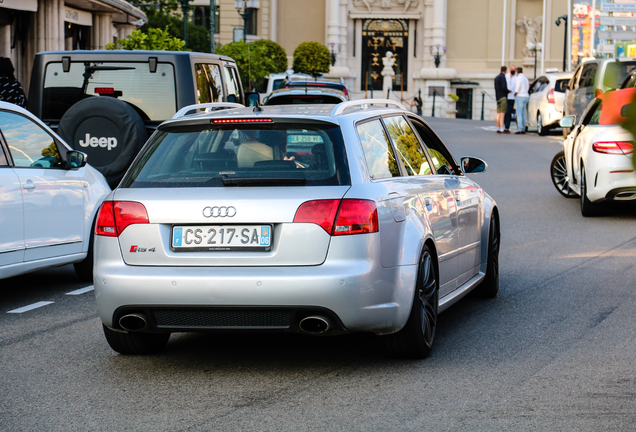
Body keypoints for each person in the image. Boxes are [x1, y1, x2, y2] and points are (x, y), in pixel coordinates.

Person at [514, 66, 530, 134]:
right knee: (523, 113)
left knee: (519, 113)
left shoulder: (519, 78)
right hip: (526, 95)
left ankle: (519, 128)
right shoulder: (525, 78)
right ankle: (523, 128)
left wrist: (515, 93)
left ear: (516, 72)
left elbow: (517, 87)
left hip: (520, 95)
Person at [494, 66, 508, 133]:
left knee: (498, 113)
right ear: (506, 71)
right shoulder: (503, 77)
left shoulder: (496, 78)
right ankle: (502, 128)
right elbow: (503, 87)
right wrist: (508, 91)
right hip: (503, 96)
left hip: (498, 96)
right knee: (502, 113)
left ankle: (498, 127)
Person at [504, 64, 517, 133]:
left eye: (514, 70)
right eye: (512, 70)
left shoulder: (516, 77)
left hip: (512, 97)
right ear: (510, 69)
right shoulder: (506, 76)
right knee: (504, 112)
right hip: (505, 96)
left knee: (509, 112)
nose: (513, 71)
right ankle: (504, 125)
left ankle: (507, 127)